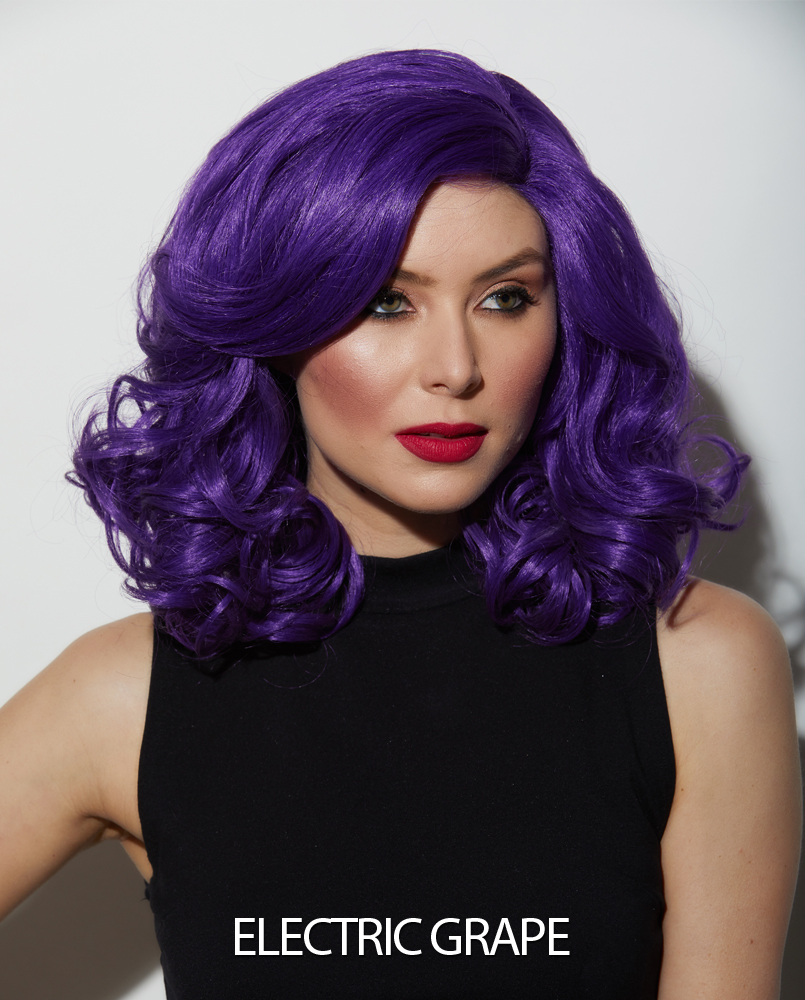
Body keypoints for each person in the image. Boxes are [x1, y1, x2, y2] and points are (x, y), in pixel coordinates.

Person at [0, 49, 800, 999]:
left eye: (505, 298)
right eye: (386, 302)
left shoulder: (696, 664)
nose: (455, 367)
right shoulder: (126, 694)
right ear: (274, 328)